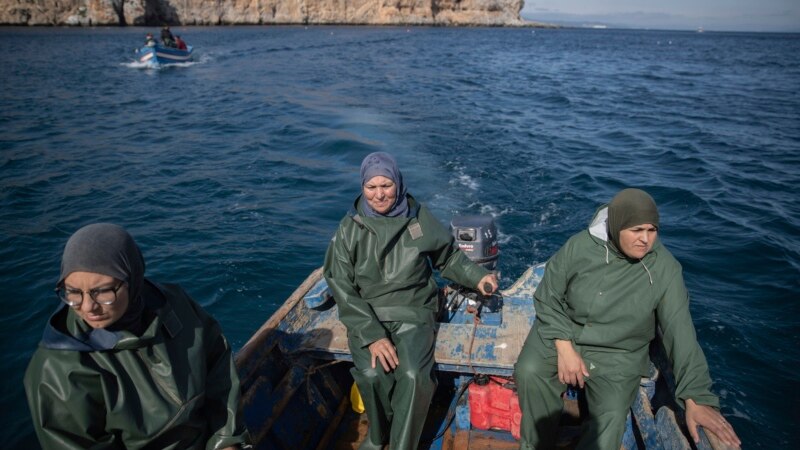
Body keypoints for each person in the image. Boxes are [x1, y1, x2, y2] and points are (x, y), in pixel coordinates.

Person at [514, 188, 741, 450]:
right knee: (529, 371)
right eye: (636, 230)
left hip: (619, 350)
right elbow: (548, 294)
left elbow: (680, 332)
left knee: (610, 416)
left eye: (652, 230)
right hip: (565, 330)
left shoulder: (665, 268)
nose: (645, 239)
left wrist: (696, 397)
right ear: (616, 225)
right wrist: (564, 346)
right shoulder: (580, 246)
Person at [323, 152, 498, 450]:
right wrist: (373, 334)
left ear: (399, 184)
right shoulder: (349, 228)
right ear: (362, 187)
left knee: (414, 375)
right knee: (372, 374)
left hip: (414, 309)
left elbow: (448, 256)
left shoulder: (418, 218)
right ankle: (378, 437)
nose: (379, 194)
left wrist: (477, 276)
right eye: (371, 187)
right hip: (367, 313)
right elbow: (340, 284)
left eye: (386, 185)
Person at [24, 223, 250, 450]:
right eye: (73, 292)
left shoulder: (173, 304)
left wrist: (226, 439)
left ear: (132, 279)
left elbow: (217, 362)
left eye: (102, 291)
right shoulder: (56, 371)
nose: (87, 306)